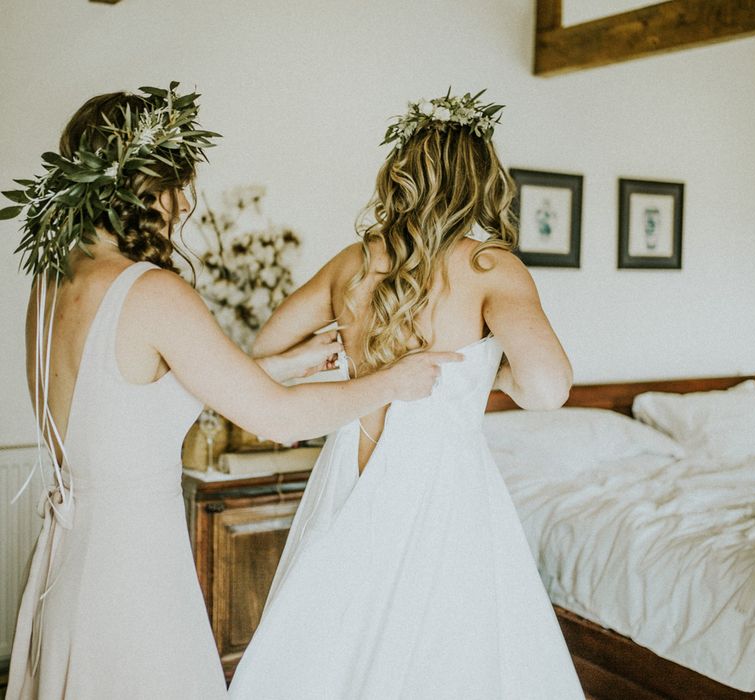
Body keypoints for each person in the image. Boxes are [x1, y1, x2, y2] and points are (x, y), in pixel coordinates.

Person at [2, 85, 459, 700]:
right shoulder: (154, 291)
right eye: (177, 185)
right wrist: (393, 382)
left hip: (68, 564)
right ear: (141, 186)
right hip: (136, 578)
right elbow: (274, 418)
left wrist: (294, 359)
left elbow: (145, 398)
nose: (186, 202)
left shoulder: (52, 283)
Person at [229, 90, 585, 699]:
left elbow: (265, 351)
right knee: (441, 650)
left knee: (336, 636)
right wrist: (487, 373)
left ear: (403, 176)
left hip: (349, 469)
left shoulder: (354, 261)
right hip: (441, 485)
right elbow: (549, 390)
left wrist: (338, 356)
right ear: (479, 183)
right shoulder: (490, 267)